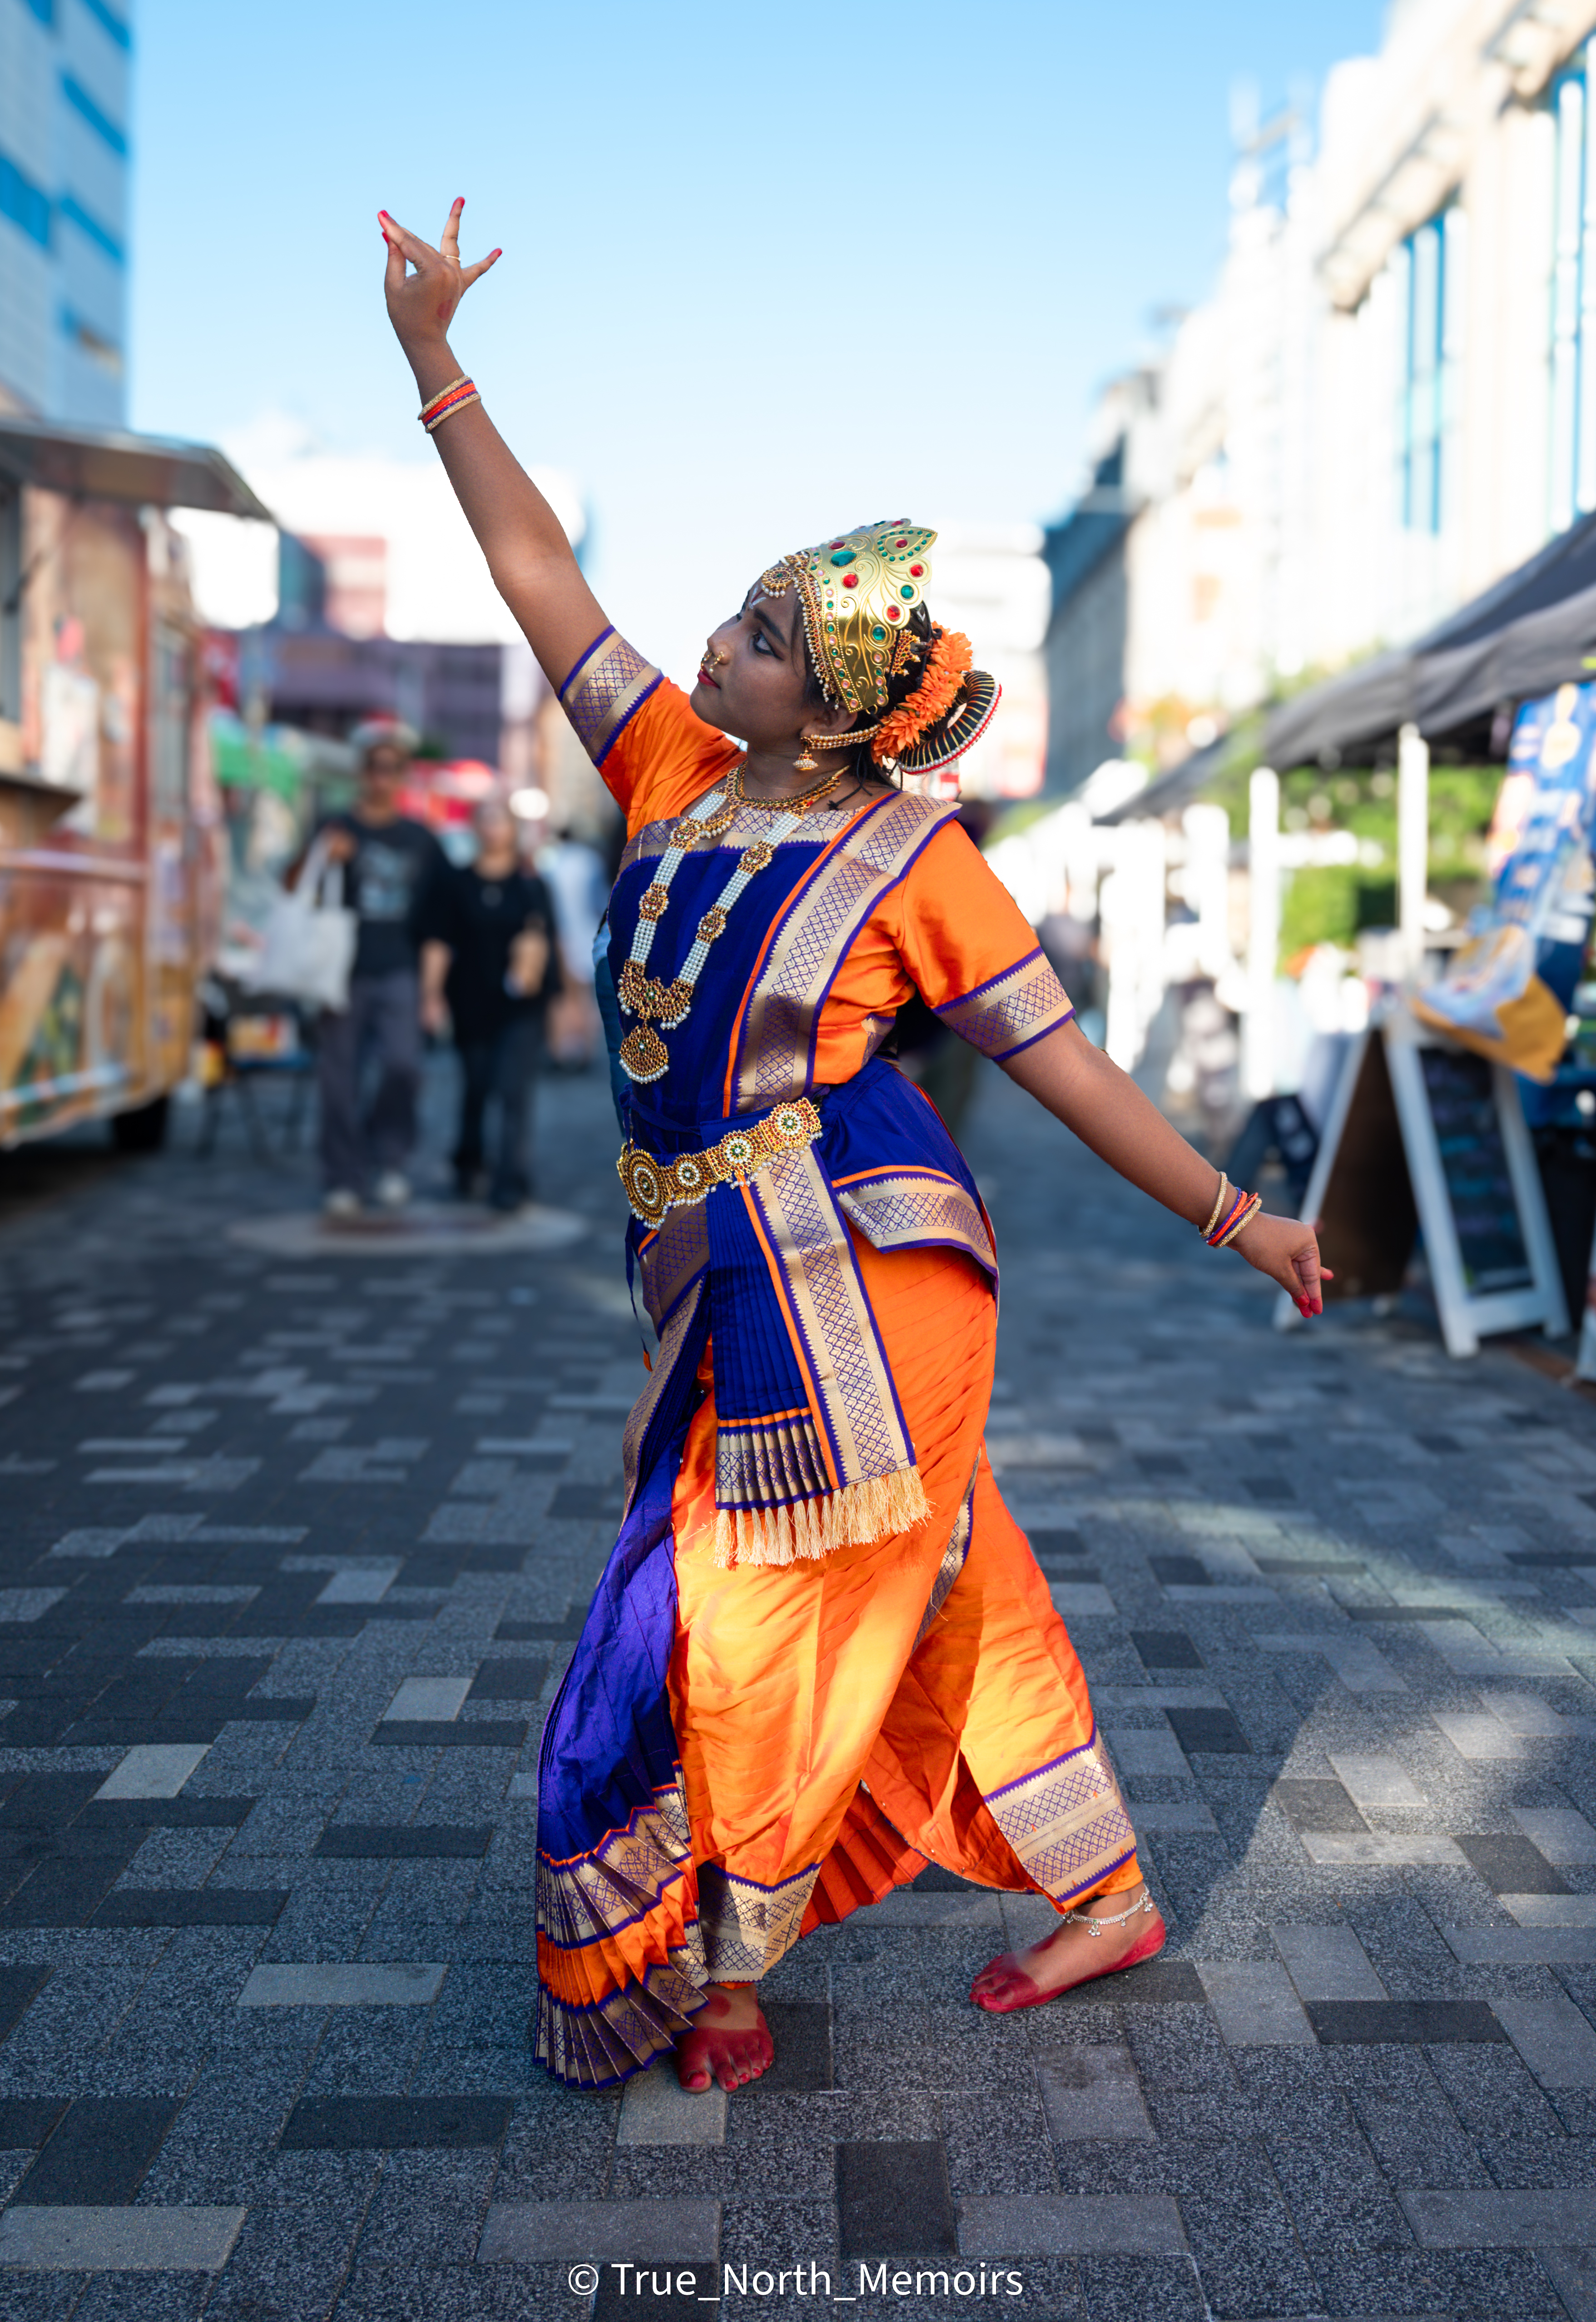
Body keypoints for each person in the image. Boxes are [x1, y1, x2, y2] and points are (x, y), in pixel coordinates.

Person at [377, 200, 1328, 2095]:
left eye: (745, 633)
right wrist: (435, 367)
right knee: (944, 1578)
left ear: (819, 705)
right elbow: (539, 576)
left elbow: (1065, 1073)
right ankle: (1102, 1885)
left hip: (855, 1296)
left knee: (739, 1618)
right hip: (717, 1269)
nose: (704, 643)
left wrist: (1243, 1218)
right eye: (726, 617)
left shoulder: (921, 861)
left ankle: (725, 1956)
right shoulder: (671, 766)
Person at [309, 726, 445, 1216]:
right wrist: (326, 856)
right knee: (338, 1078)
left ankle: (389, 1159)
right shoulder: (335, 827)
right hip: (339, 970)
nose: (381, 778)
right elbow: (294, 887)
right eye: (373, 767)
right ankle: (343, 1175)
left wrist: (433, 991)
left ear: (403, 776)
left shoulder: (420, 839)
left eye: (391, 769)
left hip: (399, 968)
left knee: (403, 1067)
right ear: (361, 772)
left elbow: (438, 919)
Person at [420, 793, 561, 1208]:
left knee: (514, 1090)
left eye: (501, 819)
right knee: (477, 1085)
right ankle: (469, 1159)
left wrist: (567, 1003)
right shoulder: (457, 883)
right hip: (470, 1000)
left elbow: (552, 944)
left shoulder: (532, 885)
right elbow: (439, 943)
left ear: (514, 830)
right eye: (486, 819)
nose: (493, 828)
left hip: (523, 1007)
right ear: (475, 828)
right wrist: (430, 996)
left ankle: (511, 1180)